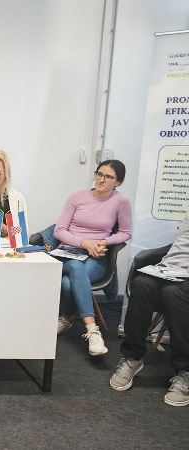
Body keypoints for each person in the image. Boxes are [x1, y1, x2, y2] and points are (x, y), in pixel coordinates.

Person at [109, 212, 189, 407]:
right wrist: (166, 266)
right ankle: (132, 357)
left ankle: (185, 370)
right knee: (142, 284)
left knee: (172, 293)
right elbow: (178, 247)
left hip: (183, 281)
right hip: (172, 269)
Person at [53, 160, 131, 356]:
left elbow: (125, 233)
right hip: (68, 252)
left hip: (96, 255)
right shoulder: (76, 197)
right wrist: (84, 243)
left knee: (68, 283)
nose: (101, 179)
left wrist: (105, 241)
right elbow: (59, 231)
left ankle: (66, 318)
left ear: (118, 182)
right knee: (75, 267)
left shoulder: (121, 201)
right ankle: (92, 329)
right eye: (99, 174)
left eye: (108, 177)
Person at [0, 149, 28, 238]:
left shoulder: (17, 198)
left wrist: (7, 230)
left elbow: (23, 232)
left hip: (7, 246)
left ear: (5, 174)